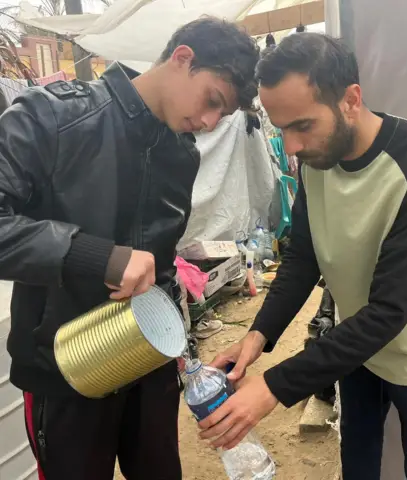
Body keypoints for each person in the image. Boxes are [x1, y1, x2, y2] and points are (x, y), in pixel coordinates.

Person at [0, 17, 259, 480]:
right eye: (212, 101)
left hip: (150, 363)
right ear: (183, 58)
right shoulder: (52, 117)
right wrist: (96, 257)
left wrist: (178, 342)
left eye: (222, 116)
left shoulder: (181, 152)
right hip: (66, 365)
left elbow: (158, 260)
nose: (207, 122)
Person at [200, 33, 407, 480]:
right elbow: (304, 255)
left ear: (350, 100)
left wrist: (273, 387)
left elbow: (389, 310)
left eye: (302, 126)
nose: (292, 147)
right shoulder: (316, 161)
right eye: (281, 128)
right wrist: (259, 336)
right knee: (357, 461)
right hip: (354, 346)